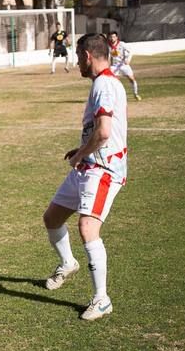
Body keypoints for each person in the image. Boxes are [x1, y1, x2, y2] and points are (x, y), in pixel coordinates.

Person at [42, 33, 128, 321]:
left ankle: (101, 299)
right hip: (88, 164)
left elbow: (104, 133)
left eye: (79, 56)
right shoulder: (103, 82)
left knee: (87, 227)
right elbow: (99, 130)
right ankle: (68, 263)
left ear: (88, 55)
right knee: (52, 218)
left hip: (102, 169)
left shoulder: (104, 83)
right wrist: (81, 150)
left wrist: (81, 155)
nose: (77, 61)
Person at [108, 31, 141, 101]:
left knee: (131, 79)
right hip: (114, 66)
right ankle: (115, 96)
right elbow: (110, 56)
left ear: (116, 37)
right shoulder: (108, 46)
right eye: (110, 37)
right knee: (112, 81)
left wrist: (128, 60)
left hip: (123, 64)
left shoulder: (122, 44)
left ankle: (136, 94)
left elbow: (130, 51)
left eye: (113, 37)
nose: (112, 38)